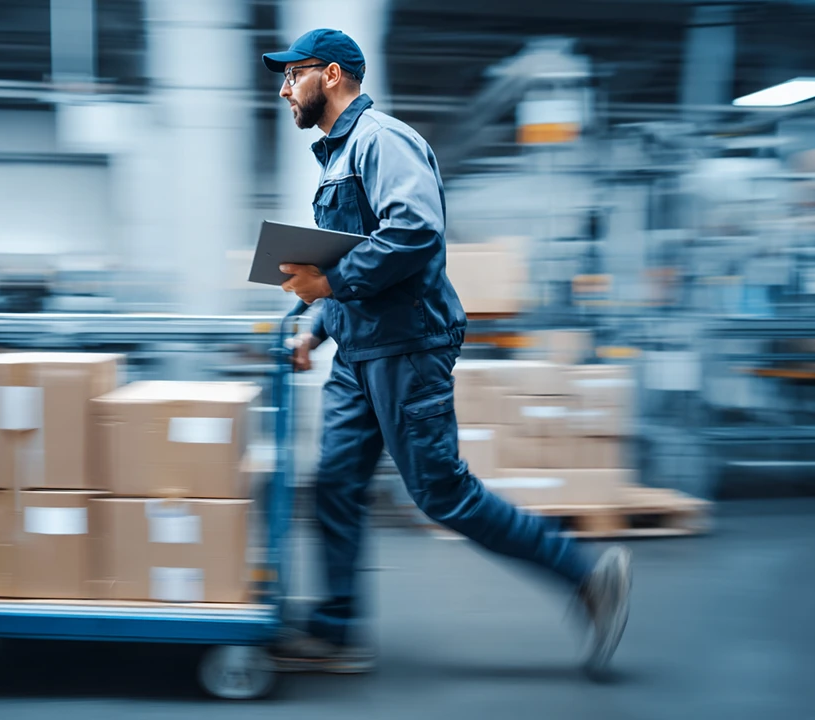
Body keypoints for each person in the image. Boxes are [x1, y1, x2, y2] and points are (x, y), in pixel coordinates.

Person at [263, 28, 631, 678]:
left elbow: (413, 230)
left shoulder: (383, 142)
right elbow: (343, 264)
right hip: (359, 351)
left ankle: (587, 575)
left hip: (407, 345)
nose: (284, 87)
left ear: (331, 74)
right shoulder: (338, 158)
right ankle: (337, 629)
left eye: (293, 74)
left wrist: (329, 285)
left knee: (441, 492)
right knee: (336, 485)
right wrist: (313, 328)